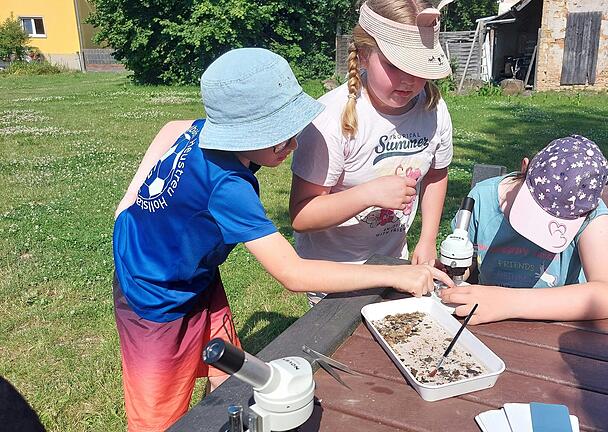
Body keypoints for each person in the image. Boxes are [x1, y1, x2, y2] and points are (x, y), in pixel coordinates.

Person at [112, 48, 452, 432]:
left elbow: (172, 126)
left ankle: (225, 419)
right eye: (276, 137)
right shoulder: (229, 187)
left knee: (228, 366)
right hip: (154, 294)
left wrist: (128, 204)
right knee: (159, 412)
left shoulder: (202, 131)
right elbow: (292, 274)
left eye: (291, 130)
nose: (291, 145)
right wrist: (394, 275)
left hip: (194, 272)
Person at [289, 0, 454, 305]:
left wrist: (428, 237)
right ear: (364, 55)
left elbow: (436, 174)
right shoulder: (331, 120)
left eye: (419, 67)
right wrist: (368, 195)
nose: (409, 80)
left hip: (393, 263)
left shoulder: (433, 109)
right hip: (335, 276)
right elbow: (302, 215)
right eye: (394, 64)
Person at [438, 135, 608, 325]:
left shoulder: (589, 216)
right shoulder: (483, 198)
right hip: (488, 324)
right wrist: (451, 272)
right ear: (524, 168)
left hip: (555, 330)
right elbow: (467, 262)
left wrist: (508, 302)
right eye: (535, 208)